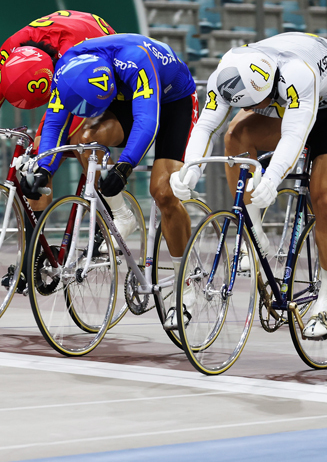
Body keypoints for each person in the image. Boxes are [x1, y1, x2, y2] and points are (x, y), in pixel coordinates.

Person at [170, 32, 327, 338]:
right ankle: (254, 234)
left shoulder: (296, 73)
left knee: (324, 199)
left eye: (260, 103)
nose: (256, 108)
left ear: (270, 85)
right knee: (235, 135)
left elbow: (295, 135)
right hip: (291, 106)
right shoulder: (228, 70)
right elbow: (205, 126)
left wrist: (271, 178)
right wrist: (190, 169)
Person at [0, 10, 118, 291]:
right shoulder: (11, 48)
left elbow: (62, 116)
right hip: (58, 54)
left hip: (95, 59)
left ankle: (110, 210)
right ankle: (34, 252)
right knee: (38, 162)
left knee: (77, 138)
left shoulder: (73, 56)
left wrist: (45, 150)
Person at [21, 33, 198, 294]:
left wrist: (124, 166)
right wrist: (45, 169)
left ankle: (186, 283)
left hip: (174, 102)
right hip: (121, 97)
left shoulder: (135, 60)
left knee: (163, 193)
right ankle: (121, 214)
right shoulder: (66, 72)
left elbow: (147, 121)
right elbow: (54, 124)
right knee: (86, 138)